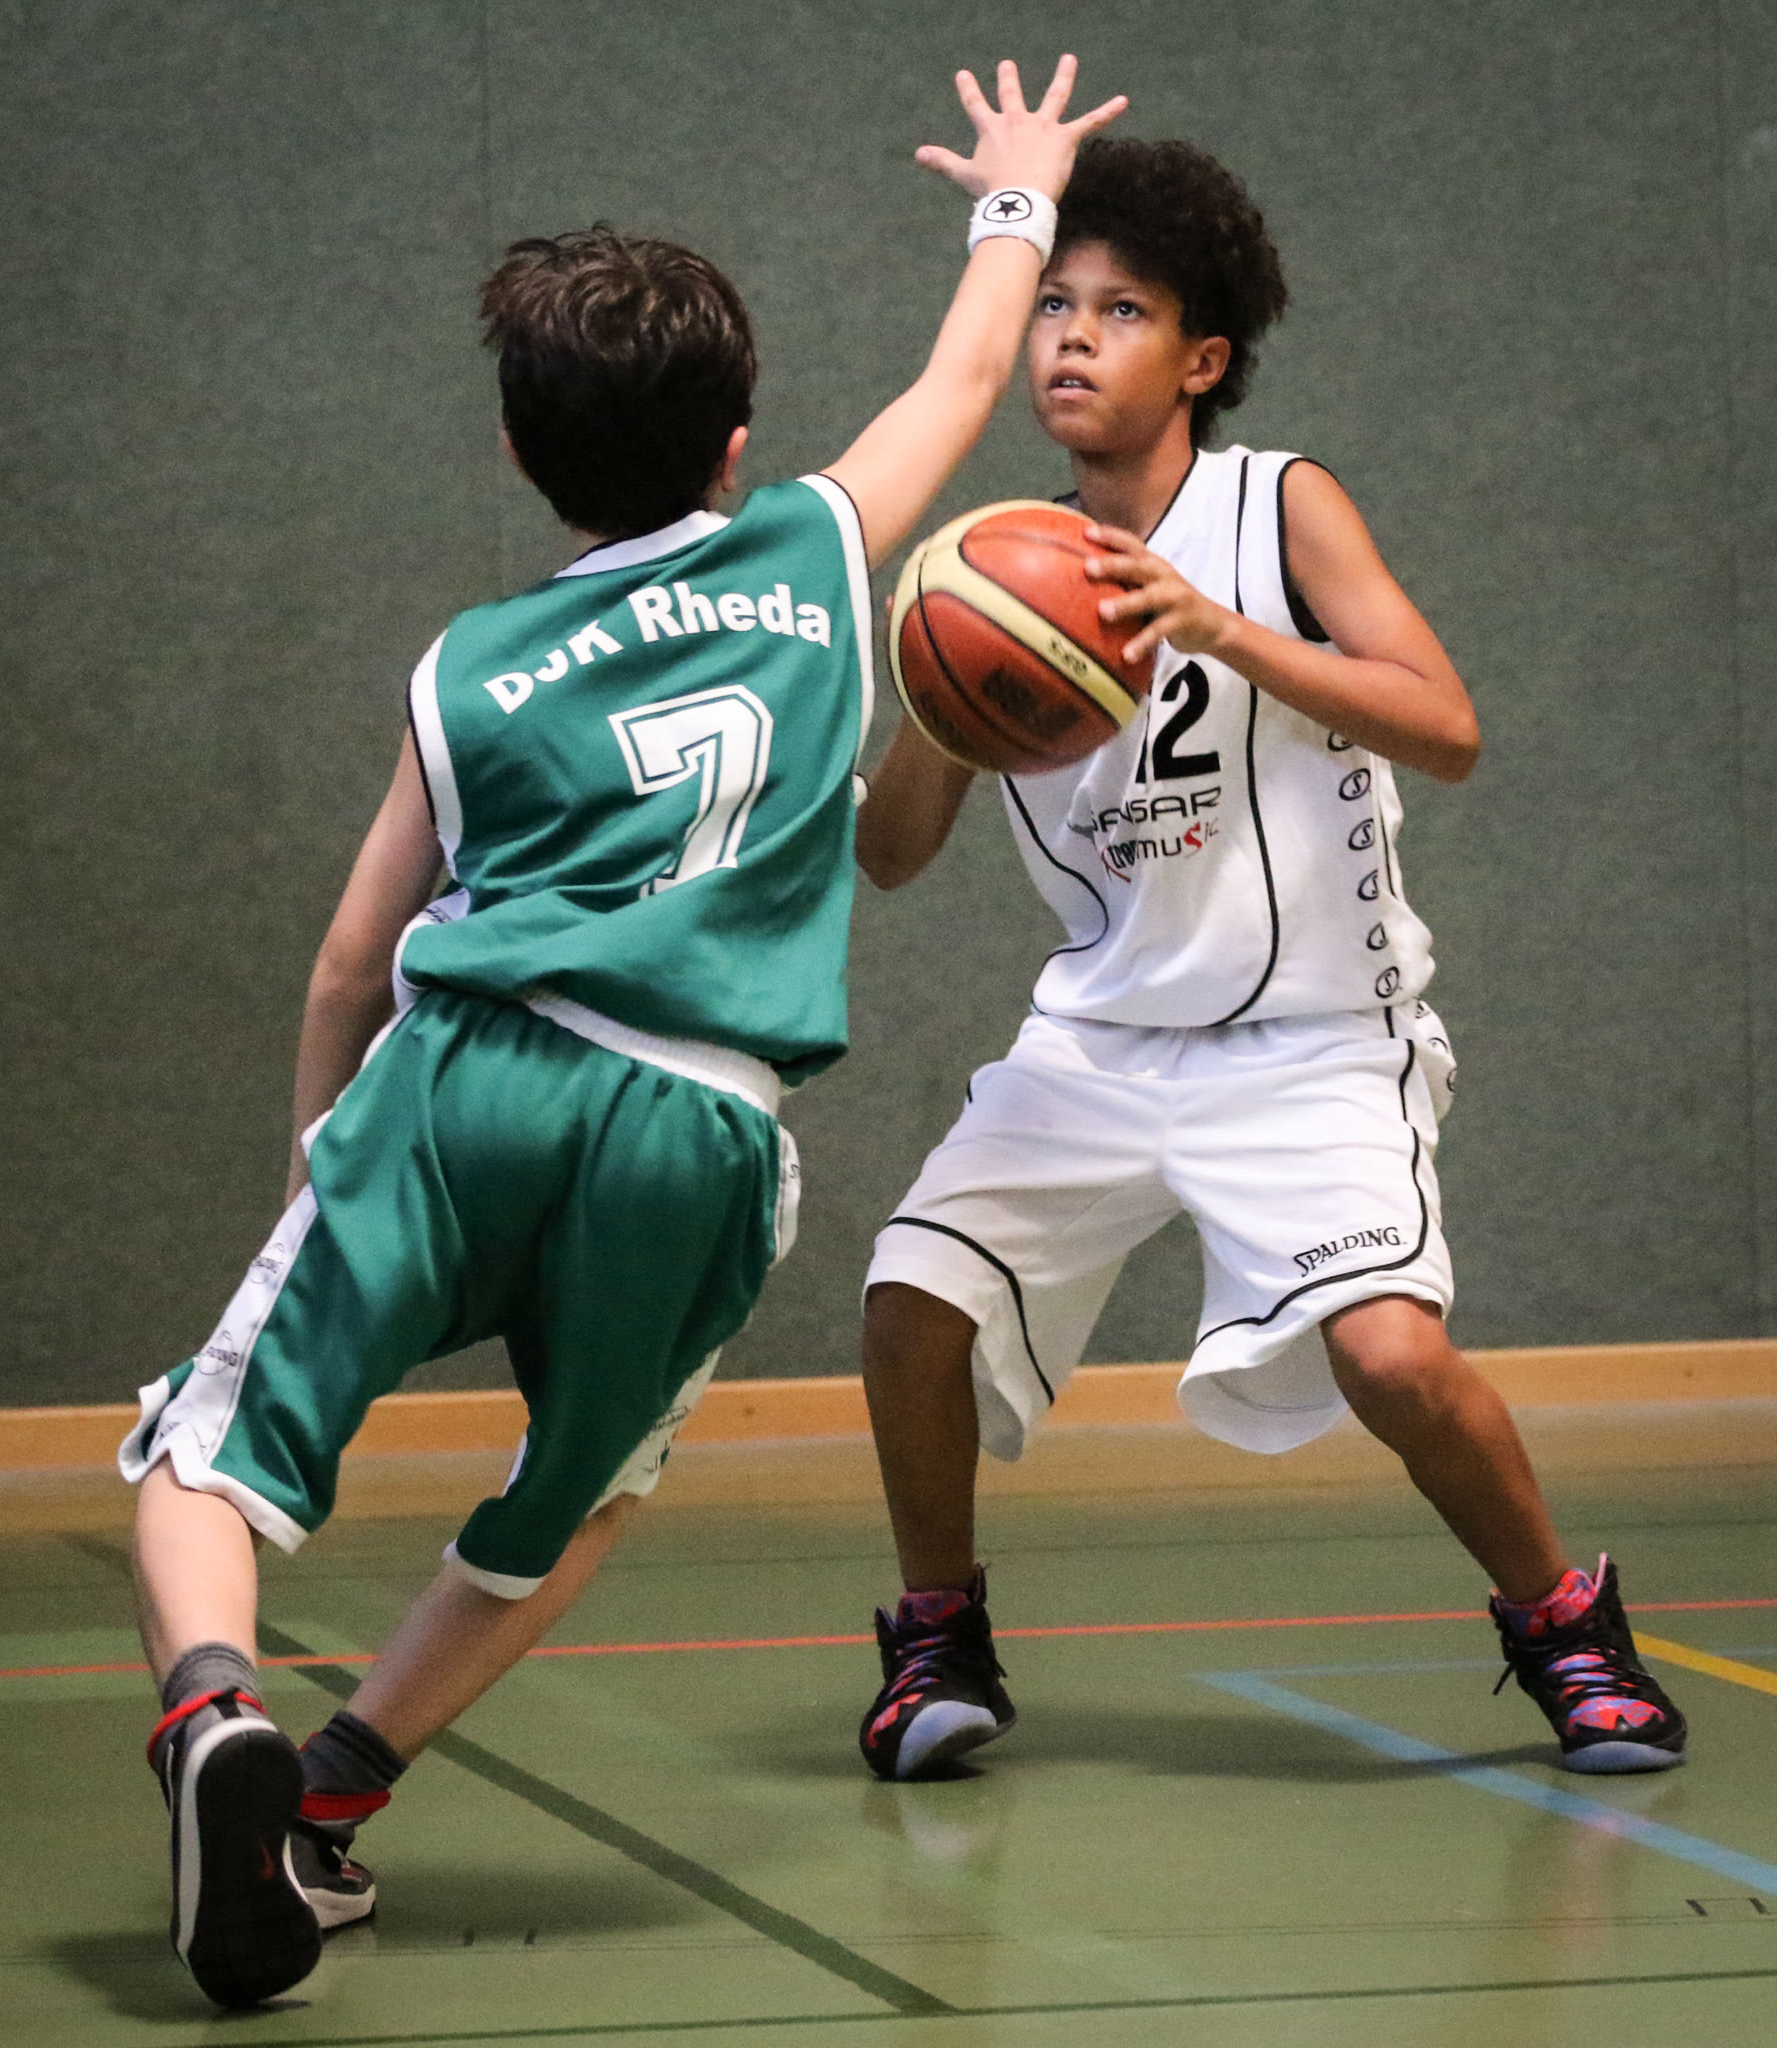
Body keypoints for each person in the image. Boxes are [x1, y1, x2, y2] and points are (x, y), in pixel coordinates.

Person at [117, 57, 1126, 2009]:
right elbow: (958, 379)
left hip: (470, 1080)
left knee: (208, 1453)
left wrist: (331, 1153)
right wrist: (1017, 195)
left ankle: (214, 1715)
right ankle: (326, 1803)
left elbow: (352, 956)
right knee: (578, 1490)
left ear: (521, 456)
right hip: (704, 1125)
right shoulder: (815, 547)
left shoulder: (469, 669)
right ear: (737, 440)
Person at [852, 136, 1687, 1786]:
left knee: (1393, 1357)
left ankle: (1564, 1625)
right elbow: (888, 855)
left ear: (1202, 358)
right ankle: (937, 1637)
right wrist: (951, 694)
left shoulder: (1277, 505)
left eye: (1123, 309)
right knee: (908, 1302)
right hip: (1099, 1043)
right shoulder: (992, 563)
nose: (1072, 336)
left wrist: (1223, 628)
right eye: (1056, 305)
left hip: (1314, 1041)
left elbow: (1447, 728)